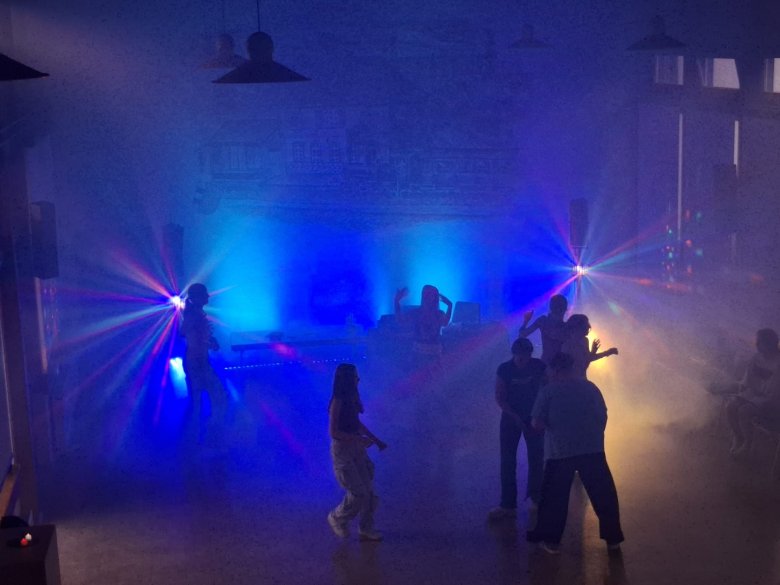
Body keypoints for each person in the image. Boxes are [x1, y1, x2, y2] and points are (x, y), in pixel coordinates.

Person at [527, 352, 624, 554]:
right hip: (592, 449)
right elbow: (603, 415)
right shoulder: (590, 388)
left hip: (560, 452)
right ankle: (613, 539)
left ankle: (551, 541)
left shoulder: (549, 391)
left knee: (554, 498)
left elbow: (536, 423)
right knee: (603, 495)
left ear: (555, 369)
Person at [487, 338, 547, 523]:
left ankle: (537, 499)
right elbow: (500, 397)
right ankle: (508, 505)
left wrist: (540, 415)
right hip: (510, 418)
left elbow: (546, 389)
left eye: (525, 356)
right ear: (513, 354)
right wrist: (514, 417)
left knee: (536, 459)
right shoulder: (504, 369)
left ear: (530, 354)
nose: (522, 359)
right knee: (507, 461)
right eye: (519, 355)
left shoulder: (539, 366)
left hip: (534, 417)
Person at [327, 363, 387, 542]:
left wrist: (375, 440)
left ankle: (366, 527)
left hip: (356, 448)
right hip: (343, 451)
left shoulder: (351, 398)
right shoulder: (337, 402)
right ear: (347, 379)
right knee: (358, 493)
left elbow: (356, 423)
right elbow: (334, 432)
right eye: (355, 376)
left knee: (369, 494)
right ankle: (337, 517)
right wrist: (359, 439)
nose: (358, 379)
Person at [725, 328, 780, 456]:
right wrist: (742, 389)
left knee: (744, 411)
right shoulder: (757, 358)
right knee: (730, 406)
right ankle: (738, 436)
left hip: (771, 402)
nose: (757, 345)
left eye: (760, 342)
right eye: (757, 342)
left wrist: (756, 396)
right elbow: (748, 379)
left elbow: (774, 391)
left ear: (770, 344)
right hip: (754, 395)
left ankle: (747, 444)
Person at [180, 283, 225, 439]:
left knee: (201, 400)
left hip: (198, 362)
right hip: (197, 363)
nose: (208, 296)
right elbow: (188, 336)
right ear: (197, 297)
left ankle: (196, 438)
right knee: (211, 398)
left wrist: (209, 340)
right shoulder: (193, 316)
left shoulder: (196, 314)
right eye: (205, 293)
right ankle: (200, 438)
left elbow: (189, 334)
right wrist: (208, 342)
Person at [394, 284, 453, 363]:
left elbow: (400, 320)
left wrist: (396, 301)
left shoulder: (418, 312)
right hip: (430, 353)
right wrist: (449, 305)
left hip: (425, 353)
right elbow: (445, 323)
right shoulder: (437, 314)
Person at [560, 314, 618, 379]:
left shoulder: (584, 341)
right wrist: (597, 352)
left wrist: (607, 352)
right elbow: (583, 364)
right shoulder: (568, 345)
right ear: (578, 326)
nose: (588, 326)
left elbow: (587, 360)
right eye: (585, 324)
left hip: (581, 379)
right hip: (572, 380)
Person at [518, 294, 569, 364]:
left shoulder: (543, 321)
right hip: (559, 364)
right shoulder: (566, 326)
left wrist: (526, 321)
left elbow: (522, 335)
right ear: (564, 309)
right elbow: (522, 335)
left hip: (551, 362)